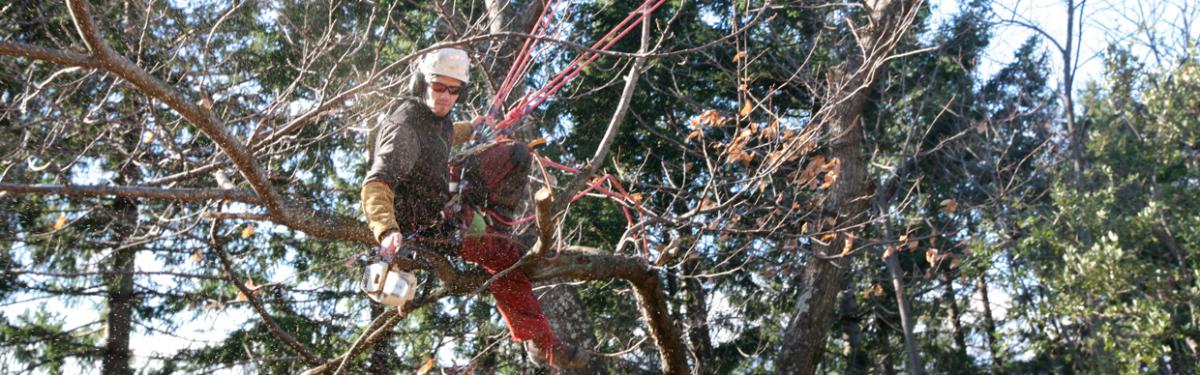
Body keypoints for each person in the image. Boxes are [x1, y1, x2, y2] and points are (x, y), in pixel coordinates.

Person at [360, 48, 587, 369]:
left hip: (445, 193)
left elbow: (446, 133)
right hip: (429, 227)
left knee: (515, 155)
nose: (445, 97)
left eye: (454, 91)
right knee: (505, 258)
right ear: (421, 83)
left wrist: (475, 127)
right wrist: (387, 231)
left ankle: (496, 226)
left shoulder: (436, 118)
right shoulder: (405, 127)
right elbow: (376, 183)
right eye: (439, 87)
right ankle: (542, 343)